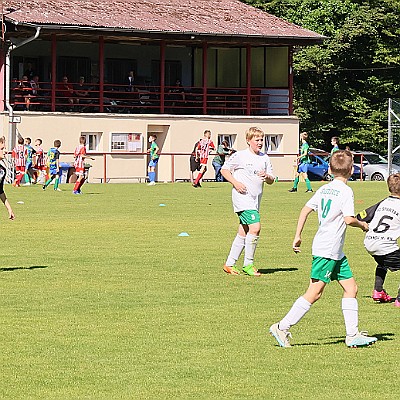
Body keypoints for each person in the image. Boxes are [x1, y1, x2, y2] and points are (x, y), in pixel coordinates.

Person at [270, 150, 377, 348]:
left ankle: (352, 335)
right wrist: (362, 225)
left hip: (335, 252)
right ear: (351, 170)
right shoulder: (346, 191)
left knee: (351, 288)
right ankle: (281, 327)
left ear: (329, 169)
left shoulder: (324, 189)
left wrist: (298, 235)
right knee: (314, 293)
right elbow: (348, 219)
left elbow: (305, 210)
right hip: (327, 250)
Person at [221, 127, 274, 276]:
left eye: (261, 140)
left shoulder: (264, 158)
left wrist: (267, 177)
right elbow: (224, 170)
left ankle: (229, 264)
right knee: (255, 227)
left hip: (255, 200)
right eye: (257, 140)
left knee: (243, 231)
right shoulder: (240, 156)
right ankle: (248, 264)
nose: (260, 142)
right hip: (242, 198)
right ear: (248, 141)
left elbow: (271, 180)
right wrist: (235, 183)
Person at [356, 173, 400, 307]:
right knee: (387, 256)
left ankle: (378, 291)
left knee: (382, 262)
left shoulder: (382, 203)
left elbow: (360, 216)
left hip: (370, 243)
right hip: (385, 245)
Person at [0, 136, 15, 220]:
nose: (5, 151)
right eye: (2, 149)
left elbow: (0, 191)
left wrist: (9, 209)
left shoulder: (2, 170)